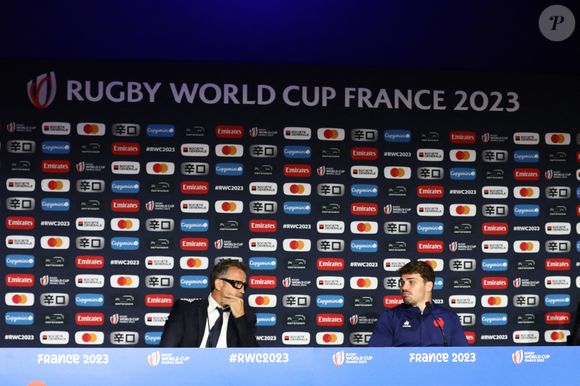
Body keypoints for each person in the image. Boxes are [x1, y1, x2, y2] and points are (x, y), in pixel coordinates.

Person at [160, 259, 259, 347]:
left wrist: (240, 318)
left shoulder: (247, 317)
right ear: (219, 284)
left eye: (244, 286)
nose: (242, 291)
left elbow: (252, 358)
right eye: (238, 284)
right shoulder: (185, 310)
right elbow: (166, 352)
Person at [369, 260, 467, 346]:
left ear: (428, 286)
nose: (404, 287)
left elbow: (463, 358)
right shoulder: (390, 317)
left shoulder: (449, 318)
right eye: (402, 282)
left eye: (411, 282)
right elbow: (377, 357)